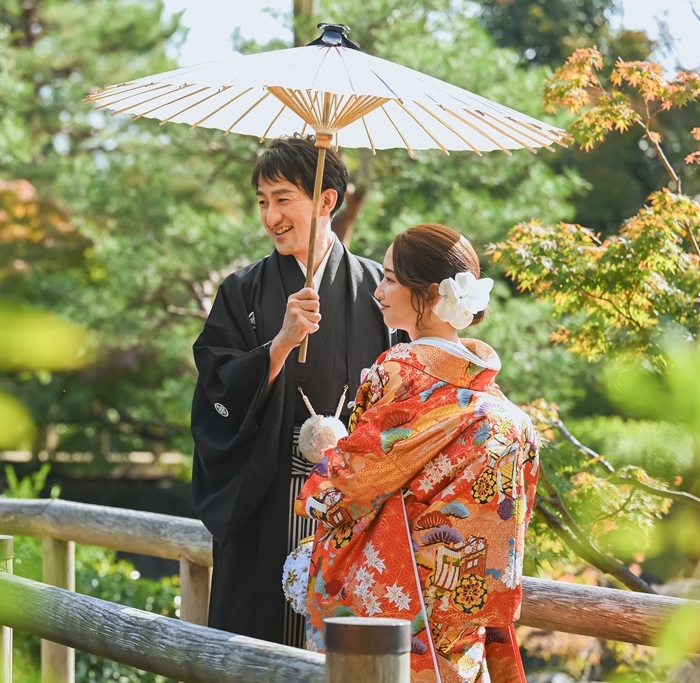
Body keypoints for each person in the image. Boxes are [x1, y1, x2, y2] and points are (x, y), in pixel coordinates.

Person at [294, 223, 540, 683]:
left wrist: (328, 452)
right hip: (463, 597)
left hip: (395, 597)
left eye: (389, 278)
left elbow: (351, 483)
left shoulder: (398, 373)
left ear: (428, 295)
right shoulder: (505, 410)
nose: (378, 289)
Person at [191, 136, 399, 647]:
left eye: (284, 199)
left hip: (353, 507)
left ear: (327, 200)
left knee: (346, 654)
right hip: (265, 497)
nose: (271, 216)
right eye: (263, 201)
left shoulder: (378, 291)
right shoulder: (242, 291)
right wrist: (278, 346)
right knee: (255, 652)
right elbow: (215, 389)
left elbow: (402, 397)